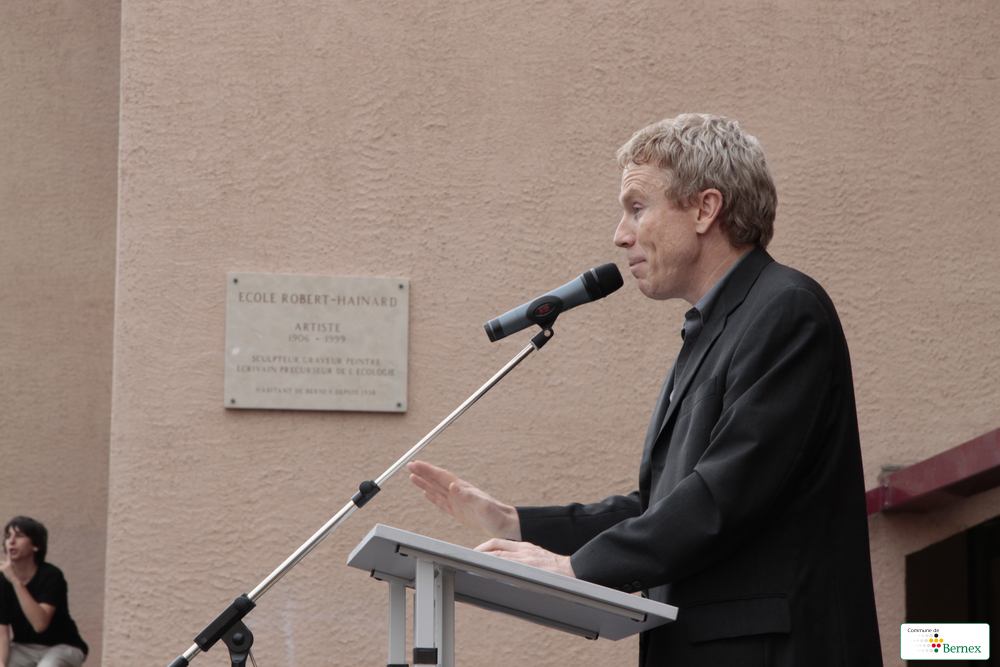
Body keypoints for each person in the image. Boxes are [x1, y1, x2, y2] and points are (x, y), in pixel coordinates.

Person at [409, 114, 883, 666]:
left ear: (705, 209)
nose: (620, 235)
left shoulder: (786, 310)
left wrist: (576, 568)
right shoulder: (712, 329)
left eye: (637, 208)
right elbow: (662, 506)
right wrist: (516, 524)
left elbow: (721, 496)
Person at [0, 517, 87, 667]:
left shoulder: (51, 576)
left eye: (19, 536)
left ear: (36, 545)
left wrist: (15, 581)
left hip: (63, 646)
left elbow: (40, 624)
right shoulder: (3, 580)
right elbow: (2, 633)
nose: (11, 541)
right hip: (23, 648)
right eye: (8, 536)